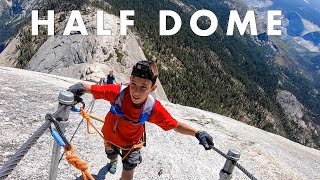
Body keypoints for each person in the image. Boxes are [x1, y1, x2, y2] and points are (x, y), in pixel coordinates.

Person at [68, 60, 214, 180]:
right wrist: (78, 88)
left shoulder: (152, 108)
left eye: (143, 87)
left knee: (128, 172)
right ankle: (113, 162)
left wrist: (197, 133)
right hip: (110, 138)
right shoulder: (117, 93)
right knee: (111, 155)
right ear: (130, 80)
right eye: (133, 85)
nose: (136, 92)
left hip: (131, 145)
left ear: (153, 88)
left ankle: (113, 162)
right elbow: (91, 88)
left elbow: (175, 125)